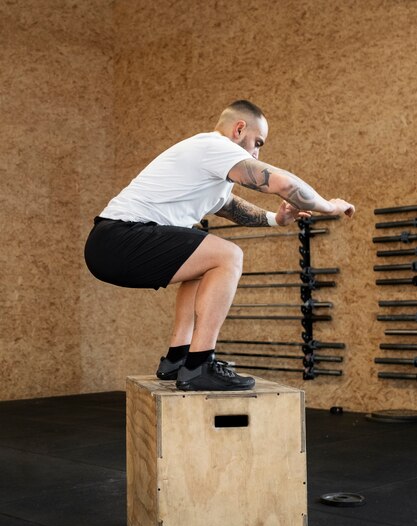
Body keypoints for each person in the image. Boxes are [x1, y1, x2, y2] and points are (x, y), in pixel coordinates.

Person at [84, 100, 355, 392]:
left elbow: (234, 208)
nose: (256, 152)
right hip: (121, 238)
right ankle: (200, 365)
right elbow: (284, 184)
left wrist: (277, 219)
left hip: (109, 244)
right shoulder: (213, 147)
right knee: (229, 255)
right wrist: (329, 206)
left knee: (202, 265)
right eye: (257, 142)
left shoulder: (209, 172)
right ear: (239, 129)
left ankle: (177, 358)